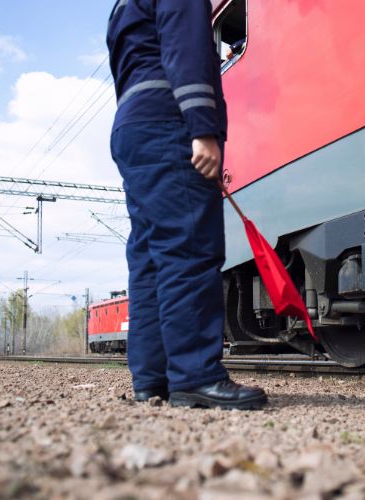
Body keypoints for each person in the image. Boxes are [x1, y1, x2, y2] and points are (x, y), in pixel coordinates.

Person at [107, 0, 266, 410]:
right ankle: (196, 377)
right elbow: (186, 48)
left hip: (132, 127)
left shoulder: (121, 7)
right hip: (169, 121)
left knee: (149, 258)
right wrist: (203, 127)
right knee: (189, 249)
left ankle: (152, 379)